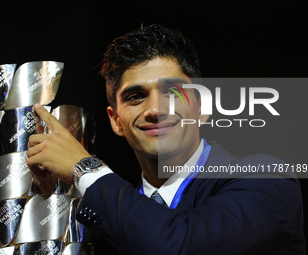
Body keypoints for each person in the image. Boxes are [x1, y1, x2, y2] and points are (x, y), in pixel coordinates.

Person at [27, 24, 305, 254]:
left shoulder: (267, 180)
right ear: (115, 120)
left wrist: (85, 169)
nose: (155, 110)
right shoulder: (100, 221)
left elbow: (176, 245)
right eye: (135, 96)